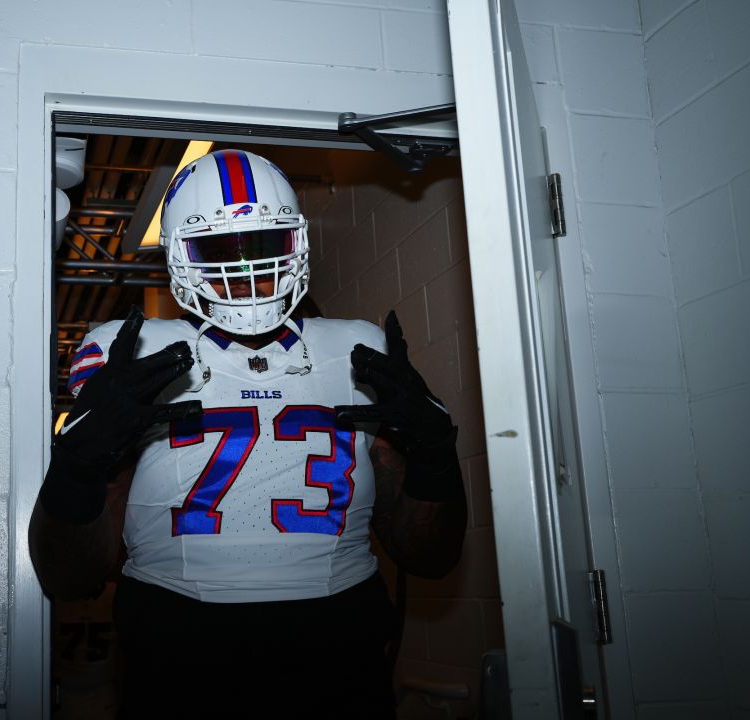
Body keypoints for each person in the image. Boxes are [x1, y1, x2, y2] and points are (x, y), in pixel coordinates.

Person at [29, 149, 467, 719]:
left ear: (298, 243)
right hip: (178, 635)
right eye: (218, 250)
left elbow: (430, 556)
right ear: (180, 256)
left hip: (341, 640)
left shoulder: (359, 349)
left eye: (264, 244)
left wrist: (435, 455)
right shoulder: (133, 351)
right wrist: (79, 465)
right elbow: (69, 575)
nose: (244, 269)